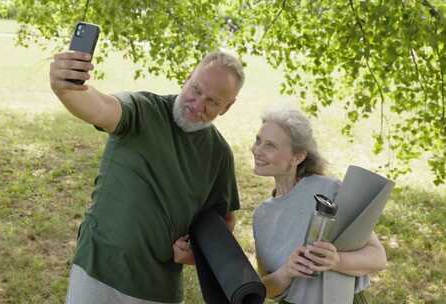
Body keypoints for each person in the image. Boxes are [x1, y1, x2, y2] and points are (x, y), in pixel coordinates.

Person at [49, 50, 245, 304]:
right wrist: (65, 89)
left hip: (158, 289)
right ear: (187, 78)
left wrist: (195, 253)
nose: (197, 105)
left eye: (213, 102)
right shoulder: (143, 110)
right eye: (196, 90)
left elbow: (223, 221)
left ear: (228, 106)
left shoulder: (219, 154)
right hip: (97, 270)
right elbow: (99, 108)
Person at [251, 108, 387, 303]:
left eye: (270, 146)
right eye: (258, 140)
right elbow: (266, 288)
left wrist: (337, 261)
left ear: (297, 157)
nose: (257, 150)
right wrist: (286, 272)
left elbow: (377, 257)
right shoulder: (261, 215)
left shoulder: (331, 191)